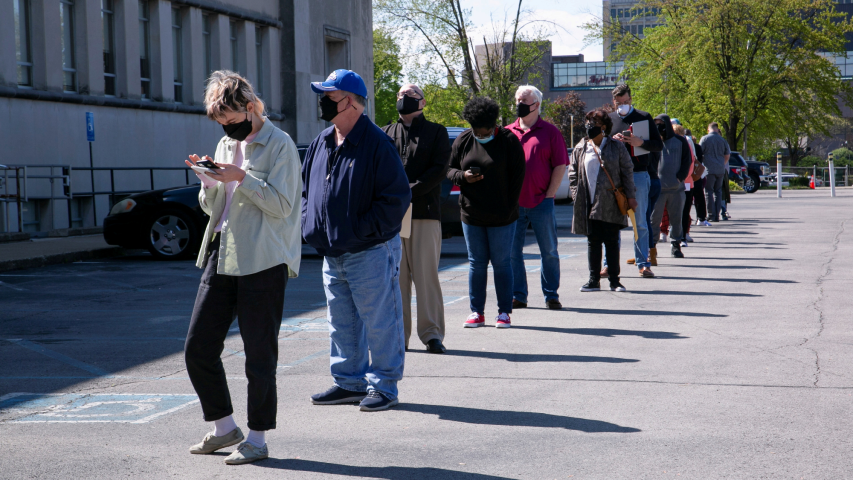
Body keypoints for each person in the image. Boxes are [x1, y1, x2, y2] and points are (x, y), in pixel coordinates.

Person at [183, 70, 303, 465]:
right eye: (222, 124)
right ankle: (224, 428)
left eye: (233, 122)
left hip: (263, 259)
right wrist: (209, 182)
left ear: (251, 108)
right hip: (223, 250)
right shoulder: (222, 142)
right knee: (198, 347)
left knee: (259, 355)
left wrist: (241, 178)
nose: (228, 131)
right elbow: (213, 207)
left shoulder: (280, 144)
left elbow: (283, 206)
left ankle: (257, 438)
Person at [302, 69, 411, 412]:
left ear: (349, 101)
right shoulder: (322, 141)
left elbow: (396, 200)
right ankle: (348, 382)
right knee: (342, 322)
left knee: (381, 322)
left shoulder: (377, 142)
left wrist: (359, 230)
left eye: (329, 96)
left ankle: (385, 386)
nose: (322, 102)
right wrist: (312, 226)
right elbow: (308, 191)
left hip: (370, 251)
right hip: (332, 252)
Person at [381, 84, 450, 354]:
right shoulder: (385, 133)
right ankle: (400, 336)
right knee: (397, 280)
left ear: (422, 103)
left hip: (424, 212)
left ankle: (432, 334)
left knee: (426, 276)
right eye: (399, 94)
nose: (402, 98)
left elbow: (440, 169)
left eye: (409, 96)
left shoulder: (436, 132)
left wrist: (412, 188)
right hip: (393, 217)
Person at [447, 96, 525, 329]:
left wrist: (508, 209)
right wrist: (463, 177)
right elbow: (449, 170)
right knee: (476, 264)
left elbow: (517, 179)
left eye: (485, 132)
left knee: (502, 264)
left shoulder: (510, 141)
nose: (481, 136)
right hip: (472, 215)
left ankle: (504, 313)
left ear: (493, 126)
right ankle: (476, 312)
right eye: (477, 132)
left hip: (503, 216)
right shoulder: (463, 139)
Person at [508, 85, 569, 310]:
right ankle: (518, 295)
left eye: (524, 101)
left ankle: (551, 294)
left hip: (542, 202)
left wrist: (550, 194)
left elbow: (560, 165)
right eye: (517, 100)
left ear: (536, 105)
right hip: (514, 204)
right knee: (513, 252)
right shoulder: (507, 132)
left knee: (549, 251)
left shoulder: (550, 132)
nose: (519, 104)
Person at [569, 108, 637, 291]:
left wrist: (631, 196)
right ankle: (593, 280)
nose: (589, 126)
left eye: (594, 123)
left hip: (611, 202)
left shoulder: (616, 146)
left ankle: (614, 280)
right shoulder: (581, 147)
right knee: (593, 241)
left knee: (612, 241)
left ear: (604, 127)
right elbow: (573, 173)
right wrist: (576, 194)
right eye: (588, 122)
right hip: (588, 202)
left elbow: (627, 172)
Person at [608, 84, 663, 278]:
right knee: (612, 222)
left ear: (631, 99)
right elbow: (600, 145)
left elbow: (658, 145)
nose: (622, 105)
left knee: (639, 222)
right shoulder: (610, 118)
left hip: (638, 173)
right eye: (619, 102)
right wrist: (611, 140)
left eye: (625, 101)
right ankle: (609, 265)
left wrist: (641, 143)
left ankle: (643, 263)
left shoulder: (643, 117)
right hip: (615, 176)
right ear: (613, 101)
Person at [649, 115, 693, 259]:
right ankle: (652, 247)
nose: (658, 126)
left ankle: (676, 245)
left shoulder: (680, 141)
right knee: (654, 219)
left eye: (661, 124)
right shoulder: (653, 142)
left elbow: (687, 161)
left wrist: (679, 177)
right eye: (656, 124)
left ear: (667, 124)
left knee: (676, 219)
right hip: (657, 189)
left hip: (676, 188)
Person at [699, 122, 731, 222]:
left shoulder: (704, 139)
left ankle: (711, 215)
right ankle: (717, 215)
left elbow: (699, 153)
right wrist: (722, 163)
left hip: (709, 169)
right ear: (717, 129)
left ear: (708, 129)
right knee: (718, 192)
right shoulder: (723, 140)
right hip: (720, 169)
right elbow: (727, 155)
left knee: (708, 192)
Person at [673, 124, 696, 245]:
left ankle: (683, 235)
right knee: (676, 211)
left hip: (685, 183)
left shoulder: (686, 144)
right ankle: (678, 235)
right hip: (674, 183)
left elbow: (690, 163)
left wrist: (681, 178)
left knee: (685, 210)